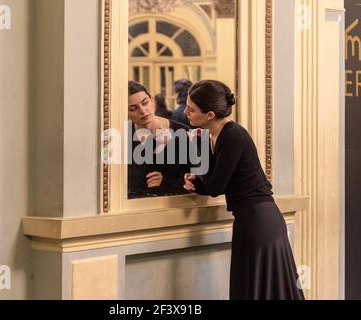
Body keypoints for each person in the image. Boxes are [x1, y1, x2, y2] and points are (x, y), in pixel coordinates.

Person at [183, 80, 305, 300]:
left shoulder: (233, 135)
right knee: (257, 287)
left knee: (257, 288)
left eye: (191, 109)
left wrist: (199, 176)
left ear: (210, 115)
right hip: (255, 219)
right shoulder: (217, 136)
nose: (185, 112)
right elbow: (216, 183)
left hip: (258, 221)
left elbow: (215, 186)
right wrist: (195, 182)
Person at [127, 81, 190, 199]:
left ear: (152, 100)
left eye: (145, 103)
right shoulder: (123, 136)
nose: (142, 110)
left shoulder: (182, 132)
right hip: (136, 208)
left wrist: (167, 181)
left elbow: (196, 177)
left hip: (176, 205)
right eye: (133, 108)